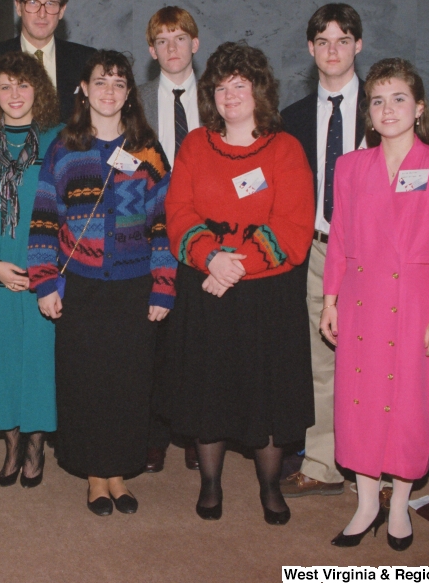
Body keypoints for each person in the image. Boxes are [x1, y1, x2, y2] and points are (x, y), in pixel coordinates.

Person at [321, 58, 429, 551]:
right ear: (368, 113)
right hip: (362, 301)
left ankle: (400, 504)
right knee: (359, 402)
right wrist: (330, 300)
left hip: (418, 304)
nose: (388, 109)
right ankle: (366, 504)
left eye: (399, 98)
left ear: (419, 107)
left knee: (410, 405)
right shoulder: (350, 166)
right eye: (378, 101)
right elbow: (339, 239)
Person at [165, 41, 315, 524]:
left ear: (259, 90)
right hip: (206, 291)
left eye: (240, 85)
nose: (230, 95)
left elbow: (293, 227)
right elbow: (178, 213)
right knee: (210, 392)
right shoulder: (194, 145)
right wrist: (211, 258)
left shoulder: (286, 148)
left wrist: (236, 265)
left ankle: (270, 488)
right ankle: (210, 486)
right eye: (222, 87)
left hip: (266, 297)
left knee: (265, 397)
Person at [28, 50, 176, 516]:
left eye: (118, 82)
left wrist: (164, 285)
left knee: (129, 382)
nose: (109, 90)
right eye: (101, 81)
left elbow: (163, 225)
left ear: (128, 93)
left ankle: (119, 471)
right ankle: (95, 474)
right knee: (86, 381)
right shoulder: (64, 148)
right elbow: (45, 218)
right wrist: (44, 281)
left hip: (134, 285)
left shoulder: (147, 149)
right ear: (84, 90)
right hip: (82, 284)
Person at [0, 52, 62, 487]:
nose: (15, 94)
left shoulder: (59, 139)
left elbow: (67, 207)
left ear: (37, 90)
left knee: (39, 364)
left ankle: (36, 448)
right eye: (5, 86)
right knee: (1, 364)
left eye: (23, 85)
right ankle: (11, 447)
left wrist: (49, 270)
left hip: (44, 275)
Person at [280, 3, 366, 499]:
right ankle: (322, 462)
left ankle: (373, 466)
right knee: (320, 362)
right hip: (315, 252)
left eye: (343, 39)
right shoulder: (290, 118)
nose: (332, 49)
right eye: (323, 41)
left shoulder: (383, 110)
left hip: (372, 258)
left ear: (357, 45)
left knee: (376, 358)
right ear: (311, 49)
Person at [138, 6, 202, 474]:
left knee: (202, 338)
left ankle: (201, 431)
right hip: (150, 238)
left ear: (195, 44)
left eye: (180, 38)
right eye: (162, 40)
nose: (172, 48)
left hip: (207, 237)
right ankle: (155, 434)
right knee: (153, 341)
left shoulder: (224, 99)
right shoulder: (134, 100)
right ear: (151, 50)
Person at [0, 0, 96, 127]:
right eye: (33, 2)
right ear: (18, 7)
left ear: (62, 10)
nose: (42, 13)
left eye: (50, 3)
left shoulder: (86, 60)